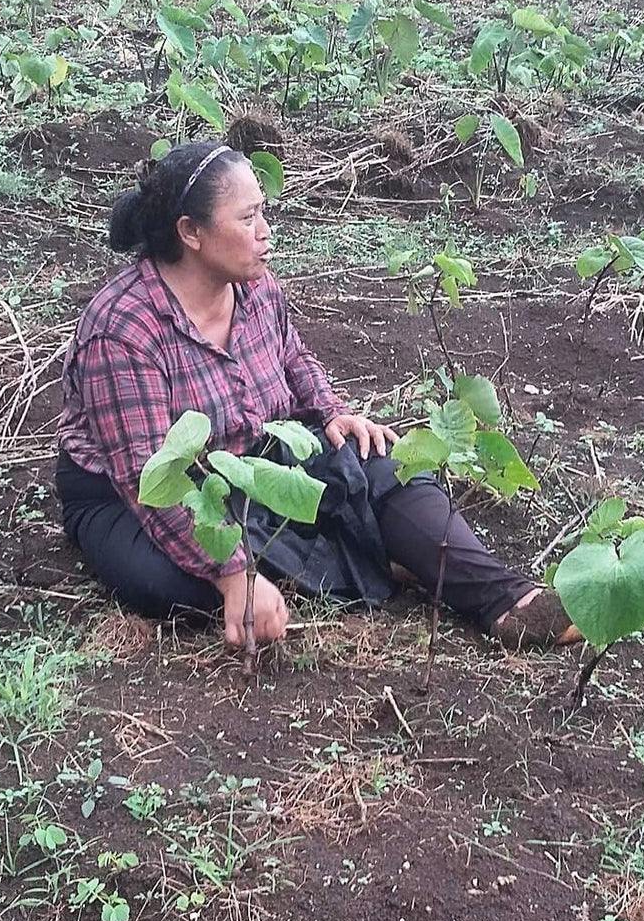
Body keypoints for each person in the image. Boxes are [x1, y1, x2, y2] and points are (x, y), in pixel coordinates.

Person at [56, 140, 580, 652]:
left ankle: (506, 600)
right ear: (190, 232)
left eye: (263, 213)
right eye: (247, 219)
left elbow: (294, 359)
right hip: (135, 496)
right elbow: (147, 478)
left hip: (254, 454)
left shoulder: (255, 284)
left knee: (384, 464)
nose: (265, 234)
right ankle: (350, 556)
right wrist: (230, 571)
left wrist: (331, 411)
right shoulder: (124, 329)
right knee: (167, 583)